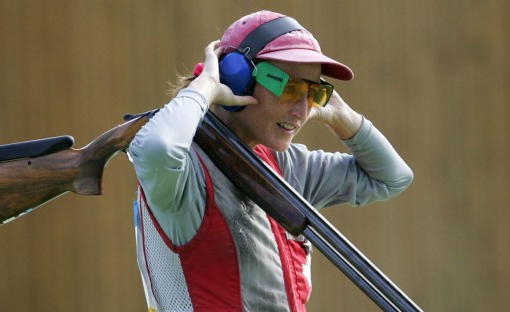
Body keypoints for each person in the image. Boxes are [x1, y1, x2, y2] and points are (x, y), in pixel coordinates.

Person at [129, 10, 413, 312]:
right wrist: (204, 89)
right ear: (236, 78)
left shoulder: (283, 165)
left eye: (314, 93)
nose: (303, 111)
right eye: (290, 88)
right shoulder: (184, 171)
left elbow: (391, 178)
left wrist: (342, 116)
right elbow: (156, 147)